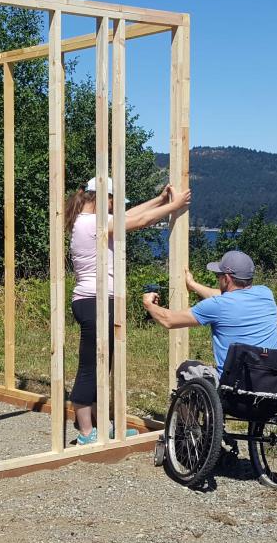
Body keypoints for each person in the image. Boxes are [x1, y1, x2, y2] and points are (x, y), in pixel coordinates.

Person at [66, 178, 191, 444]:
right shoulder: (92, 223)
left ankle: (101, 426)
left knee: (102, 365)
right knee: (90, 367)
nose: (114, 208)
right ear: (103, 198)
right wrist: (174, 206)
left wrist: (160, 201)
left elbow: (129, 215)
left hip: (93, 301)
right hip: (94, 302)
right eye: (112, 202)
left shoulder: (87, 219)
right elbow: (140, 221)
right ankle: (87, 433)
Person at [141, 250, 277, 371]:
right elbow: (227, 297)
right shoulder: (266, 293)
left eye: (218, 276)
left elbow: (168, 320)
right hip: (269, 381)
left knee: (186, 369)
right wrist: (193, 285)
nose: (218, 279)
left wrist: (149, 305)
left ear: (226, 278)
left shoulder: (217, 305)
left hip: (233, 385)